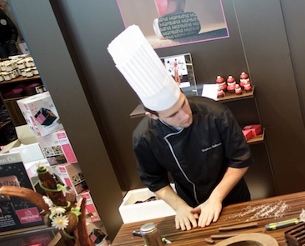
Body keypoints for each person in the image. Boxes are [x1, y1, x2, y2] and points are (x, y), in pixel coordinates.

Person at [108, 25, 252, 231]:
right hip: (190, 210)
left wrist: (216, 198)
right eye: (172, 115)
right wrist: (180, 207)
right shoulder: (145, 137)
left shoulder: (215, 114)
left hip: (233, 199)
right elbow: (154, 180)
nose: (185, 116)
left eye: (183, 104)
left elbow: (240, 159)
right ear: (152, 115)